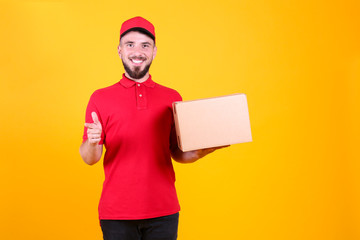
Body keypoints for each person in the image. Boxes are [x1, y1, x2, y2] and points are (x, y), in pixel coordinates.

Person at [79, 16, 227, 240]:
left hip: (163, 212)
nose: (137, 51)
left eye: (145, 45)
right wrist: (92, 141)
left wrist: (201, 151)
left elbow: (178, 153)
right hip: (116, 214)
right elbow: (90, 158)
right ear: (119, 50)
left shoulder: (172, 97)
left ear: (154, 51)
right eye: (130, 44)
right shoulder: (100, 98)